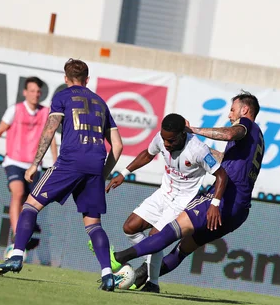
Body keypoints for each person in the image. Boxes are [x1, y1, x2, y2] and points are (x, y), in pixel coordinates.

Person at [0, 59, 124, 292]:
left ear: (66, 79)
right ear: (87, 80)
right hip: (95, 165)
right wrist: (102, 173)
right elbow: (118, 146)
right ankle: (107, 275)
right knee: (93, 225)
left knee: (30, 206)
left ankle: (17, 256)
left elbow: (50, 129)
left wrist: (35, 164)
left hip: (70, 163)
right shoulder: (101, 102)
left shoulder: (62, 97)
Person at [110, 92, 264, 285]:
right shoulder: (257, 138)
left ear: (245, 110)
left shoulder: (246, 126)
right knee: (182, 249)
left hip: (225, 197)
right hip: (239, 210)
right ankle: (144, 282)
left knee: (165, 233)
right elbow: (226, 161)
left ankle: (118, 258)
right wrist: (204, 152)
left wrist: (193, 130)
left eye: (232, 110)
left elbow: (230, 133)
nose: (229, 115)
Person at [101, 113, 226, 293]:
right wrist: (124, 173)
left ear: (183, 134)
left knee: (155, 238)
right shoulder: (161, 138)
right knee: (130, 227)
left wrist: (215, 204)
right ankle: (153, 257)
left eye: (171, 141)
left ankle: (153, 283)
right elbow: (147, 154)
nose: (166, 144)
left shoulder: (198, 150)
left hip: (183, 201)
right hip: (163, 194)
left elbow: (221, 175)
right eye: (164, 140)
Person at [0, 77, 58, 254]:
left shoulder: (46, 113)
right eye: (32, 91)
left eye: (38, 91)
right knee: (18, 193)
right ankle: (17, 235)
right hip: (14, 161)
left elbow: (50, 138)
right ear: (25, 92)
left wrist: (56, 160)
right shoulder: (15, 110)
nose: (35, 94)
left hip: (34, 165)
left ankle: (21, 236)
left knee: (29, 203)